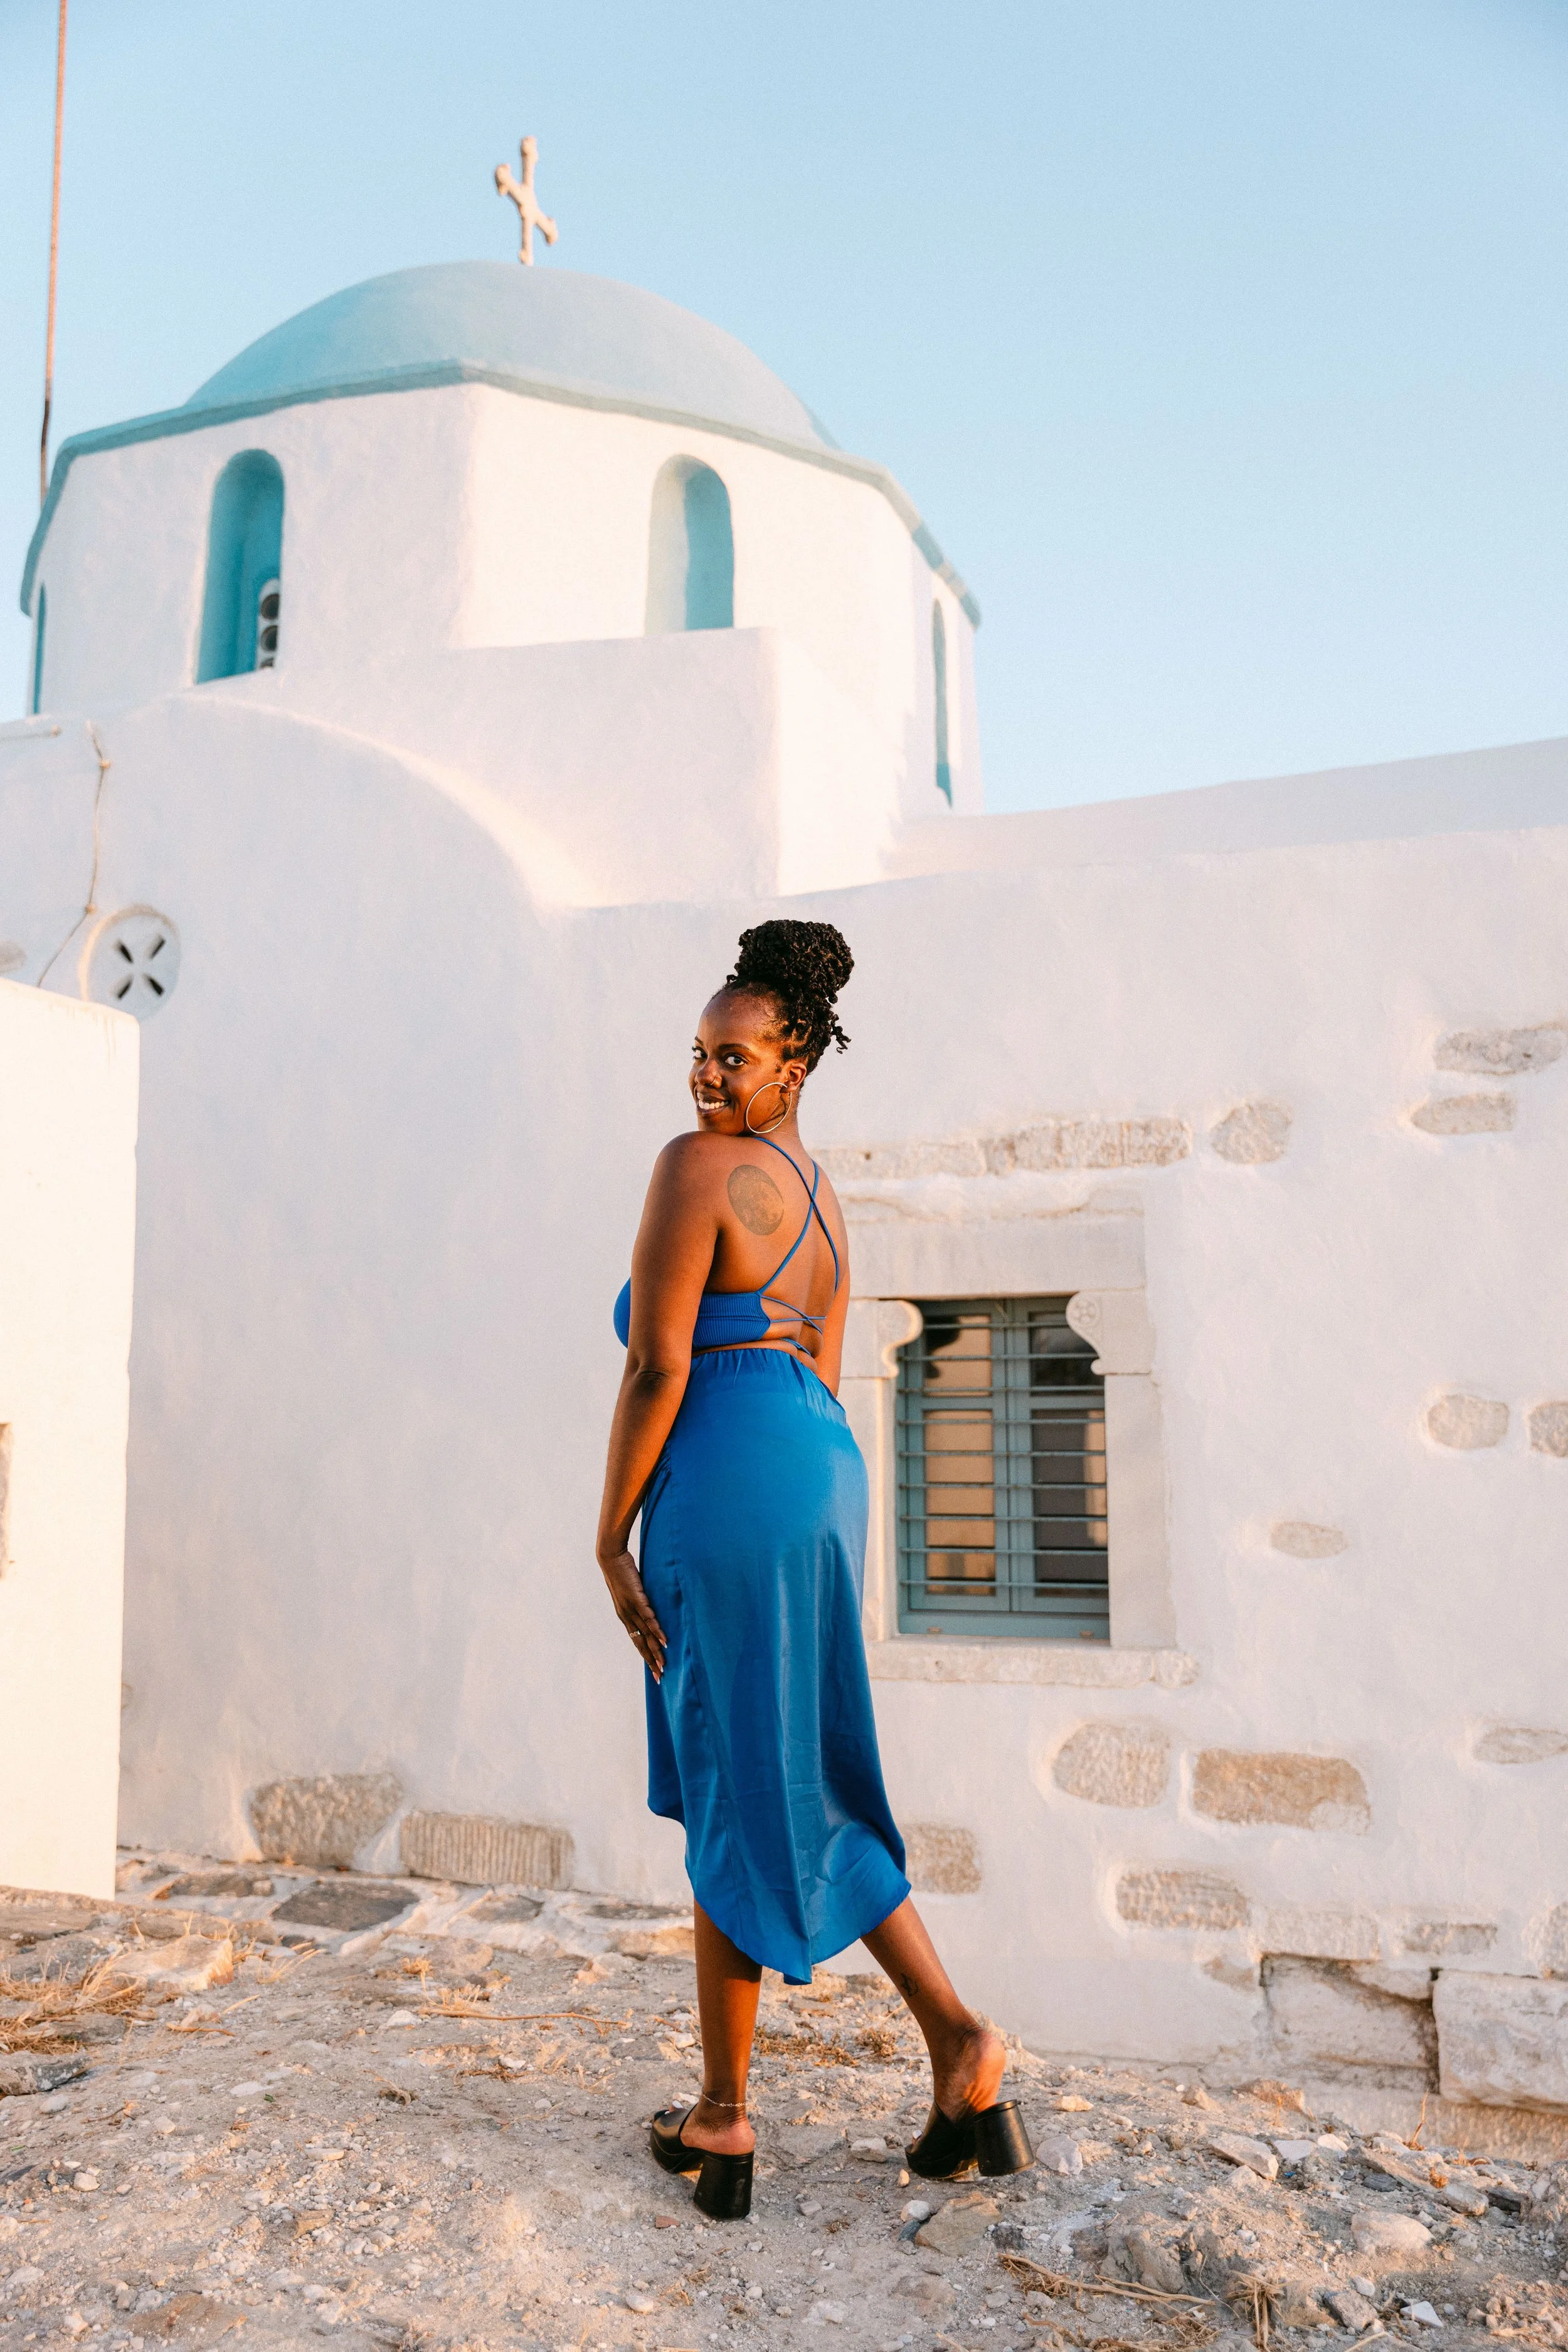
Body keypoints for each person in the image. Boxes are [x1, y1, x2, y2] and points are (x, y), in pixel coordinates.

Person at [596, 919, 1035, 2222]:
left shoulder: (695, 1170)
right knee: (791, 1759)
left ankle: (732, 2118)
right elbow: (825, 1373)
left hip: (723, 1472)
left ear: (796, 1062)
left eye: (735, 1058)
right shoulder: (828, 1205)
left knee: (738, 1763)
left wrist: (609, 1534)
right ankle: (952, 2053)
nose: (706, 1079)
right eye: (696, 1055)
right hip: (819, 1471)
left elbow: (659, 1363)